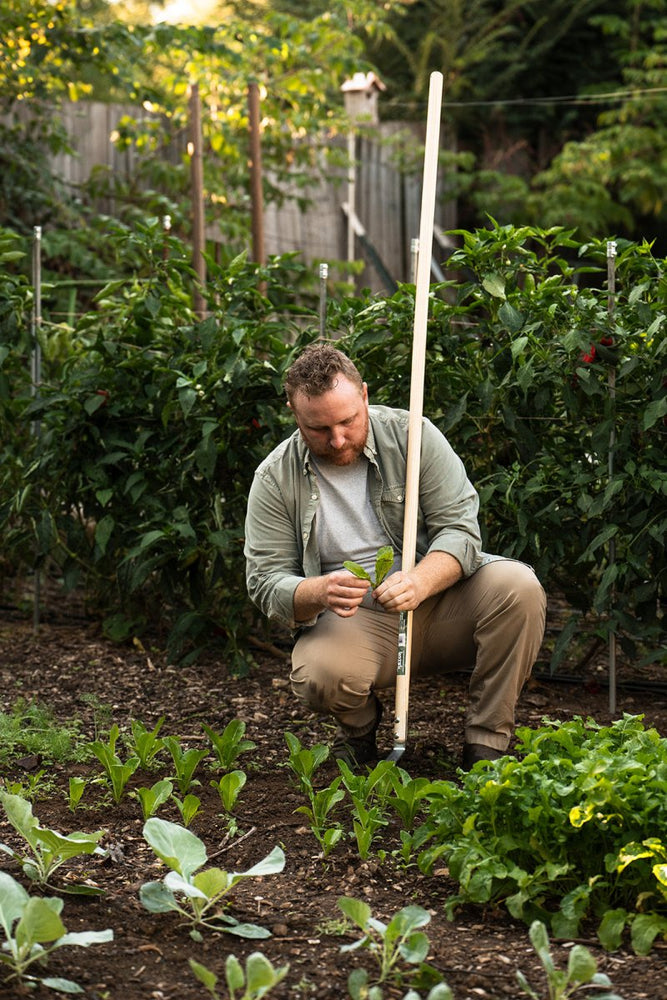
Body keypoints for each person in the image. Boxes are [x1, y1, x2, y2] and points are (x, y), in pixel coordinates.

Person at [244, 343, 546, 770]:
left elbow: (460, 529)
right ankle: (361, 730)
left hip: (441, 599)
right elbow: (264, 579)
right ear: (294, 414)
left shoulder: (413, 437)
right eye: (318, 429)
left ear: (364, 395)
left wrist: (420, 581)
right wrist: (317, 590)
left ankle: (486, 744)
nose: (337, 438)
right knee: (320, 675)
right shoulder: (275, 477)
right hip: (358, 622)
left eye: (348, 420)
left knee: (518, 588)